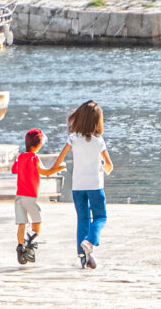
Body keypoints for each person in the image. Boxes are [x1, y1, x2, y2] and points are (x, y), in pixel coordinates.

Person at [42, 100, 113, 269]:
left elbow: (58, 160)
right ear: (98, 121)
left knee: (82, 219)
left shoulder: (72, 139)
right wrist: (105, 169)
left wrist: (53, 169)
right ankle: (90, 241)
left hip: (78, 187)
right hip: (95, 186)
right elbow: (109, 164)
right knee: (100, 217)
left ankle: (83, 256)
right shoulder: (98, 140)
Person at [9, 127, 52, 264]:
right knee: (37, 221)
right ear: (38, 145)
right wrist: (59, 167)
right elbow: (44, 172)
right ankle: (31, 243)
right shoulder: (34, 157)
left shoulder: (20, 157)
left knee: (21, 223)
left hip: (19, 197)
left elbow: (14, 170)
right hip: (30, 196)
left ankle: (20, 247)